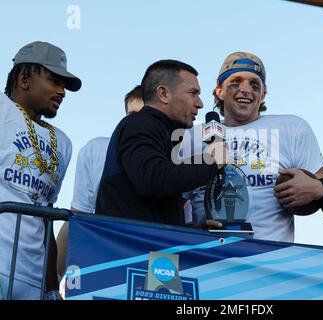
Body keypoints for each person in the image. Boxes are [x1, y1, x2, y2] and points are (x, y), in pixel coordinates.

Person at [186, 52, 323, 242]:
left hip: (268, 262)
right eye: (236, 82)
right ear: (219, 91)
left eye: (255, 85)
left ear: (263, 95)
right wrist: (194, 232)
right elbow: (168, 211)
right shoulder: (191, 136)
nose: (246, 89)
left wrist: (319, 189)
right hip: (204, 261)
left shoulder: (290, 128)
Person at [95, 59, 224, 225]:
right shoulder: (139, 125)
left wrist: (194, 233)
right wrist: (211, 162)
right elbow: (153, 180)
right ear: (164, 94)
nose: (200, 103)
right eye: (193, 93)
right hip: (130, 248)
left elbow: (151, 210)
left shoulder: (162, 132)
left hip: (148, 247)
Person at [0, 41, 81, 300]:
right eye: (54, 81)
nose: (62, 91)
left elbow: (46, 217)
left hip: (32, 280)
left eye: (64, 86)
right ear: (24, 78)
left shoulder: (63, 142)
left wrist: (50, 287)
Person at [55, 85, 144, 279]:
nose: (136, 122)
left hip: (151, 262)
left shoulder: (174, 156)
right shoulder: (96, 150)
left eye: (144, 114)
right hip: (105, 259)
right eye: (131, 114)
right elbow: (78, 215)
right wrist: (52, 282)